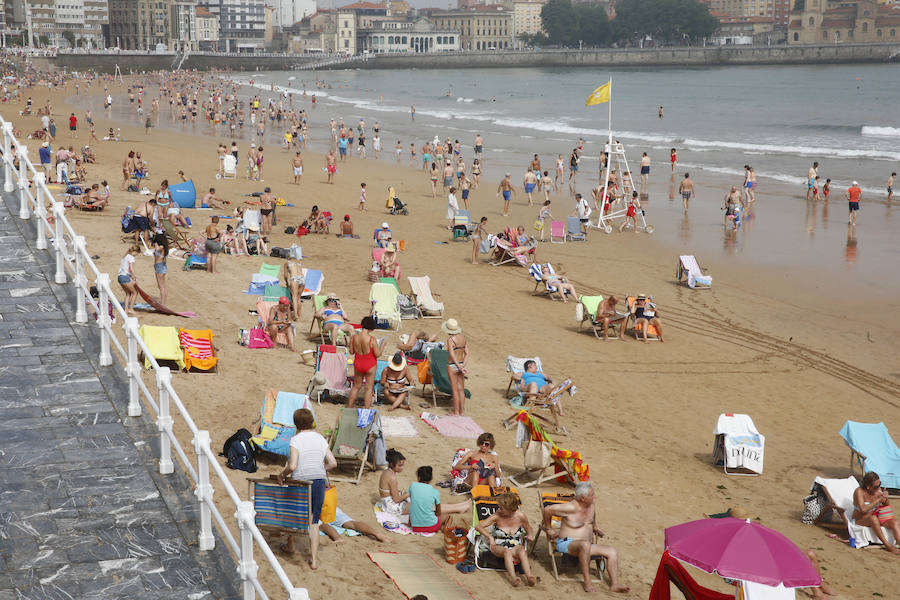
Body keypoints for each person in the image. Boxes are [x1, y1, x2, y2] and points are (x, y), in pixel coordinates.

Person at [541, 482, 629, 594]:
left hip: (586, 546)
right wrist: (548, 528)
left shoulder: (591, 505)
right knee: (584, 544)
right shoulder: (570, 507)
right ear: (582, 498)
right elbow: (547, 510)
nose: (594, 497)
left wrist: (595, 527)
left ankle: (614, 585)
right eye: (592, 495)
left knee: (612, 551)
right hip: (566, 543)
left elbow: (592, 516)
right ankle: (587, 581)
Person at [277, 408, 337, 570]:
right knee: (314, 521)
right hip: (318, 481)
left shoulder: (296, 440)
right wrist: (319, 468)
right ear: (311, 422)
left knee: (293, 513)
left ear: (296, 424)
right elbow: (333, 463)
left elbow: (293, 465)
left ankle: (290, 545)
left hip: (301, 481)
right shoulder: (320, 438)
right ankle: (314, 560)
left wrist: (281, 475)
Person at [474, 492, 536, 587]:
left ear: (510, 509)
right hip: (498, 545)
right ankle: (514, 578)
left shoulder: (520, 516)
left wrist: (530, 535)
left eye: (502, 508)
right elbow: (478, 526)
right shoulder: (496, 516)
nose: (499, 509)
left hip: (515, 544)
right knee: (507, 551)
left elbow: (529, 528)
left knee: (522, 550)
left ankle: (529, 576)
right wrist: (490, 537)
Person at [408, 466, 470, 534]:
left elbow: (412, 507)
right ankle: (444, 529)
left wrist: (409, 524)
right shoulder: (434, 492)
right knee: (447, 516)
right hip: (431, 527)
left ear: (418, 477)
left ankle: (461, 506)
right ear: (431, 479)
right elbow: (439, 513)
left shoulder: (413, 486)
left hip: (415, 528)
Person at [853, 471, 900, 554]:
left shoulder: (877, 490)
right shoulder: (859, 492)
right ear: (868, 487)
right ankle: (888, 546)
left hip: (877, 518)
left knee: (894, 522)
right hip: (860, 520)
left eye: (880, 484)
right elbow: (863, 510)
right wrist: (878, 500)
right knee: (873, 519)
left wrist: (885, 498)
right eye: (876, 486)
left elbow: (886, 504)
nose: (879, 487)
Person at [348, 316, 382, 409]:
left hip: (358, 363)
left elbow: (351, 352)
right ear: (372, 328)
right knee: (369, 388)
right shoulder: (372, 339)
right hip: (370, 364)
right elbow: (378, 354)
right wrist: (382, 346)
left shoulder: (354, 337)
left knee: (356, 387)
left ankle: (349, 407)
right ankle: (366, 410)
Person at [443, 318, 468, 416]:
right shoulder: (463, 338)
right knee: (461, 389)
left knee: (454, 390)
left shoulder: (450, 340)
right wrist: (462, 366)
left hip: (452, 365)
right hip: (461, 363)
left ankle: (456, 412)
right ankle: (462, 411)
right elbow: (467, 353)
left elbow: (452, 355)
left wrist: (458, 366)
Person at [378, 449, 410, 515]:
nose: (402, 468)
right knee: (416, 507)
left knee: (407, 495)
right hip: (390, 506)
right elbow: (396, 500)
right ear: (392, 464)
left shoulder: (387, 471)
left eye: (403, 465)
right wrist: (409, 493)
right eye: (399, 465)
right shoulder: (392, 477)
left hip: (385, 501)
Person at [117, 245, 141, 315]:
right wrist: (134, 277)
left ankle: (126, 309)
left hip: (120, 277)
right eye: (137, 253)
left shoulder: (125, 256)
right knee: (135, 292)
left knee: (128, 294)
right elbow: (131, 269)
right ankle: (131, 309)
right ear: (135, 251)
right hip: (125, 277)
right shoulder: (131, 258)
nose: (136, 255)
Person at [151, 234, 168, 305]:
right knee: (160, 286)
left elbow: (157, 249)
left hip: (160, 266)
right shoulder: (161, 247)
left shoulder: (161, 246)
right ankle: (163, 302)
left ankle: (163, 304)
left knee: (161, 286)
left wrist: (155, 244)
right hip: (158, 266)